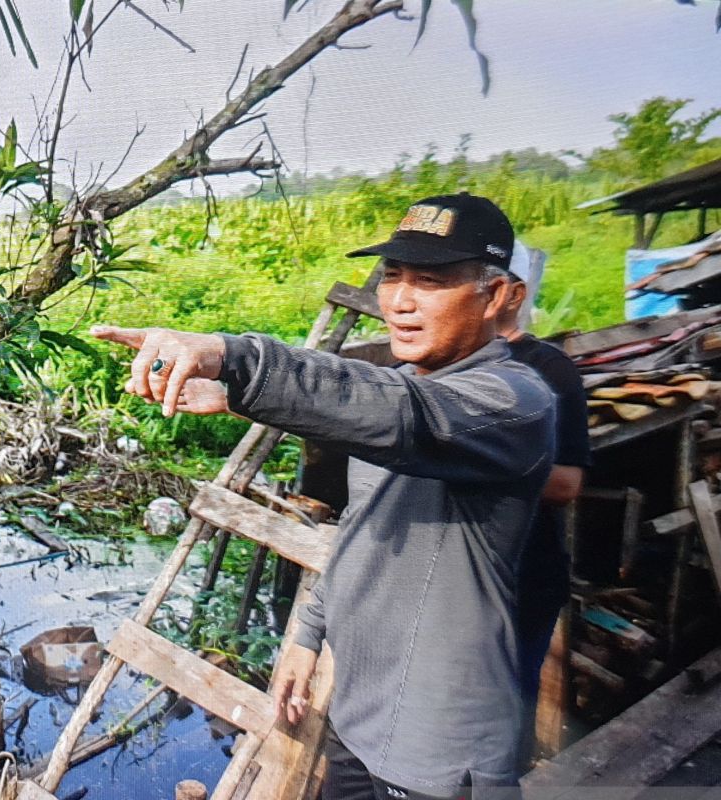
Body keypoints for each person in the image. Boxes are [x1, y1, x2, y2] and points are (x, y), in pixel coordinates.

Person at [93, 193, 556, 800]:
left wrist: (236, 357)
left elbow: (399, 415)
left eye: (432, 281)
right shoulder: (400, 388)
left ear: (501, 297)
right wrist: (307, 636)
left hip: (440, 751)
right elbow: (361, 527)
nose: (401, 301)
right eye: (393, 276)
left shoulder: (513, 402)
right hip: (357, 722)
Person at [497, 245, 591, 717]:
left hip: (522, 579)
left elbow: (566, 485)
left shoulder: (549, 368)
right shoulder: (424, 366)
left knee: (506, 710)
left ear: (512, 294)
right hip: (451, 585)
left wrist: (468, 454)